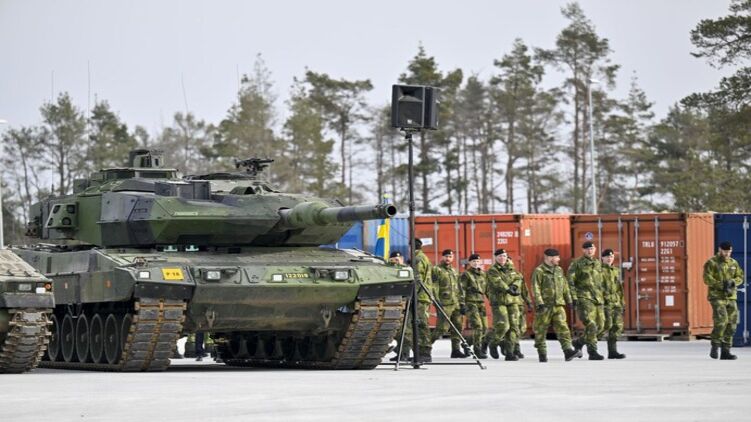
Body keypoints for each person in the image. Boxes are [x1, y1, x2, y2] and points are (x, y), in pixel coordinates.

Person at [532, 248, 582, 363]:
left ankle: (568, 351)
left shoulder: (559, 270)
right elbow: (535, 288)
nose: (559, 259)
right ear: (549, 258)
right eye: (557, 257)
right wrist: (539, 303)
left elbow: (564, 286)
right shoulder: (539, 271)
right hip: (544, 306)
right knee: (541, 330)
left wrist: (569, 300)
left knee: (563, 328)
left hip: (558, 305)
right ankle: (542, 353)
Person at [703, 241, 744, 360]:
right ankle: (715, 346)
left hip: (731, 296)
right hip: (717, 296)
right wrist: (722, 285)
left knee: (732, 323)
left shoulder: (733, 263)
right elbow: (707, 279)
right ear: (720, 250)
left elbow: (740, 277)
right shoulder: (712, 263)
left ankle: (726, 351)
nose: (727, 253)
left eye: (729, 251)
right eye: (725, 251)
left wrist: (732, 283)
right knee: (721, 321)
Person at [567, 241, 606, 360]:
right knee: (591, 324)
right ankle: (592, 352)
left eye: (592, 249)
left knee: (601, 326)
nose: (590, 251)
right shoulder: (577, 264)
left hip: (597, 298)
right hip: (583, 297)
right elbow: (570, 281)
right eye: (588, 249)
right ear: (583, 250)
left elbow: (601, 282)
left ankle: (579, 342)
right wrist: (573, 297)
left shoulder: (598, 263)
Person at [399, 239, 435, 363]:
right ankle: (419, 352)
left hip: (419, 297)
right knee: (417, 324)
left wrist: (411, 295)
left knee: (420, 324)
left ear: (411, 247)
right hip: (422, 296)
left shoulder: (418, 259)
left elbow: (417, 280)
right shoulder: (423, 257)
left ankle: (424, 352)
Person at [485, 249, 521, 361]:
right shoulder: (492, 270)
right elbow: (498, 282)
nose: (502, 258)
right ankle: (493, 343)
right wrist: (508, 289)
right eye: (500, 256)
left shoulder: (511, 268)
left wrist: (515, 286)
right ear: (495, 258)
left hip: (512, 301)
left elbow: (518, 277)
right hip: (499, 302)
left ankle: (509, 352)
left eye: (504, 256)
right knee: (504, 326)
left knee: (514, 327)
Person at [430, 249, 467, 358]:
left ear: (453, 258)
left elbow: (459, 289)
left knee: (458, 326)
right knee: (442, 328)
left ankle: (455, 350)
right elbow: (434, 286)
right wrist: (436, 301)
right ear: (442, 257)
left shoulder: (454, 271)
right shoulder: (437, 270)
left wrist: (462, 303)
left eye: (450, 257)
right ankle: (424, 348)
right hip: (444, 304)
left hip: (455, 304)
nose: (448, 258)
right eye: (446, 256)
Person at [460, 253, 489, 358]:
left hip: (481, 303)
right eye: (473, 261)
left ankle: (466, 344)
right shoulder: (466, 275)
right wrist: (462, 304)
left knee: (485, 328)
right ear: (470, 263)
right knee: (478, 326)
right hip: (470, 303)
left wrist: (492, 300)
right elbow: (461, 290)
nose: (476, 263)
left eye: (477, 261)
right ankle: (477, 351)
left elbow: (487, 289)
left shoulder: (483, 274)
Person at [600, 249, 626, 359]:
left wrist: (622, 302)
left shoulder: (616, 270)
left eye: (611, 256)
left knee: (617, 327)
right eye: (607, 256)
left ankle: (612, 351)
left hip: (615, 303)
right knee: (605, 326)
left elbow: (619, 289)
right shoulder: (598, 271)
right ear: (602, 258)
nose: (609, 258)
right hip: (604, 302)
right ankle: (580, 342)